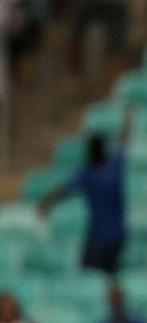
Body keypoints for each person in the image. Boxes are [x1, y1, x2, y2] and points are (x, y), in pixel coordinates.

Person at [37, 106, 133, 275]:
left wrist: (45, 203)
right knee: (110, 277)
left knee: (91, 279)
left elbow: (62, 190)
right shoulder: (115, 164)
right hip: (117, 237)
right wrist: (128, 119)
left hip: (98, 239)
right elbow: (123, 140)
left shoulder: (87, 173)